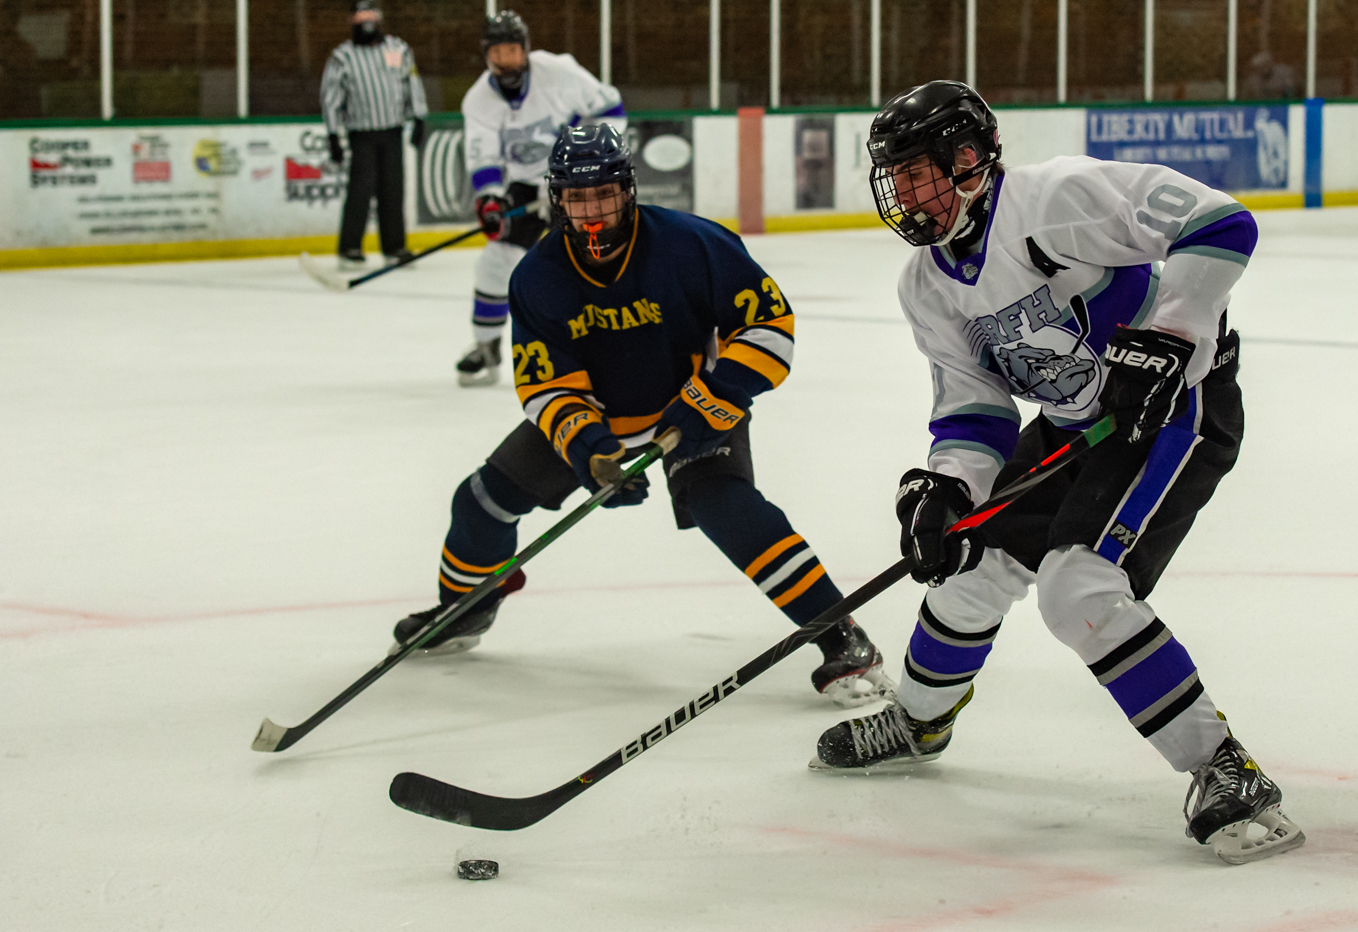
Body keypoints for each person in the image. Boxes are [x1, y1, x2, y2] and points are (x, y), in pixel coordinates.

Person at [810, 80, 1305, 865]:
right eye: (894, 178)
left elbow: (1219, 221)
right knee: (969, 572)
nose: (903, 194)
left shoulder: (1054, 199)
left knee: (1079, 589)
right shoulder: (928, 284)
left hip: (1175, 411)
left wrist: (1170, 336)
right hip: (1074, 429)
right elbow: (974, 411)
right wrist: (949, 490)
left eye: (917, 172)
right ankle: (919, 721)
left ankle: (1225, 768)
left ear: (968, 161)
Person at [391, 125, 892, 708]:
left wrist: (714, 396)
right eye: (578, 200)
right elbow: (547, 383)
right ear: (558, 200)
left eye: (603, 195)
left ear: (627, 190)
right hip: (601, 414)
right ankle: (466, 607)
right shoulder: (537, 276)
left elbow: (768, 327)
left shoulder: (691, 244)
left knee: (725, 506)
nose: (592, 212)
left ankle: (840, 634)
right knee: (479, 501)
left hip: (697, 403)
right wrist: (590, 450)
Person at [454, 10, 627, 386]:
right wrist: (490, 201)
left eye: (513, 51)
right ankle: (486, 346)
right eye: (498, 53)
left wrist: (584, 154)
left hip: (576, 181)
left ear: (526, 49)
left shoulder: (559, 72)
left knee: (594, 259)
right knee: (496, 262)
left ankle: (615, 343)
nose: (507, 61)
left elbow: (611, 108)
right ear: (486, 55)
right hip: (526, 187)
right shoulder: (478, 101)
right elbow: (483, 157)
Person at [319, 0, 428, 271]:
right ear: (352, 22)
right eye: (360, 17)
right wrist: (333, 135)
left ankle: (394, 246)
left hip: (392, 131)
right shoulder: (342, 57)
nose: (366, 23)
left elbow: (411, 82)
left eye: (371, 16)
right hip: (362, 134)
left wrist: (419, 117)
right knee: (360, 190)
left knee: (393, 189)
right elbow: (331, 98)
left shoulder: (398, 49)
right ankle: (350, 247)